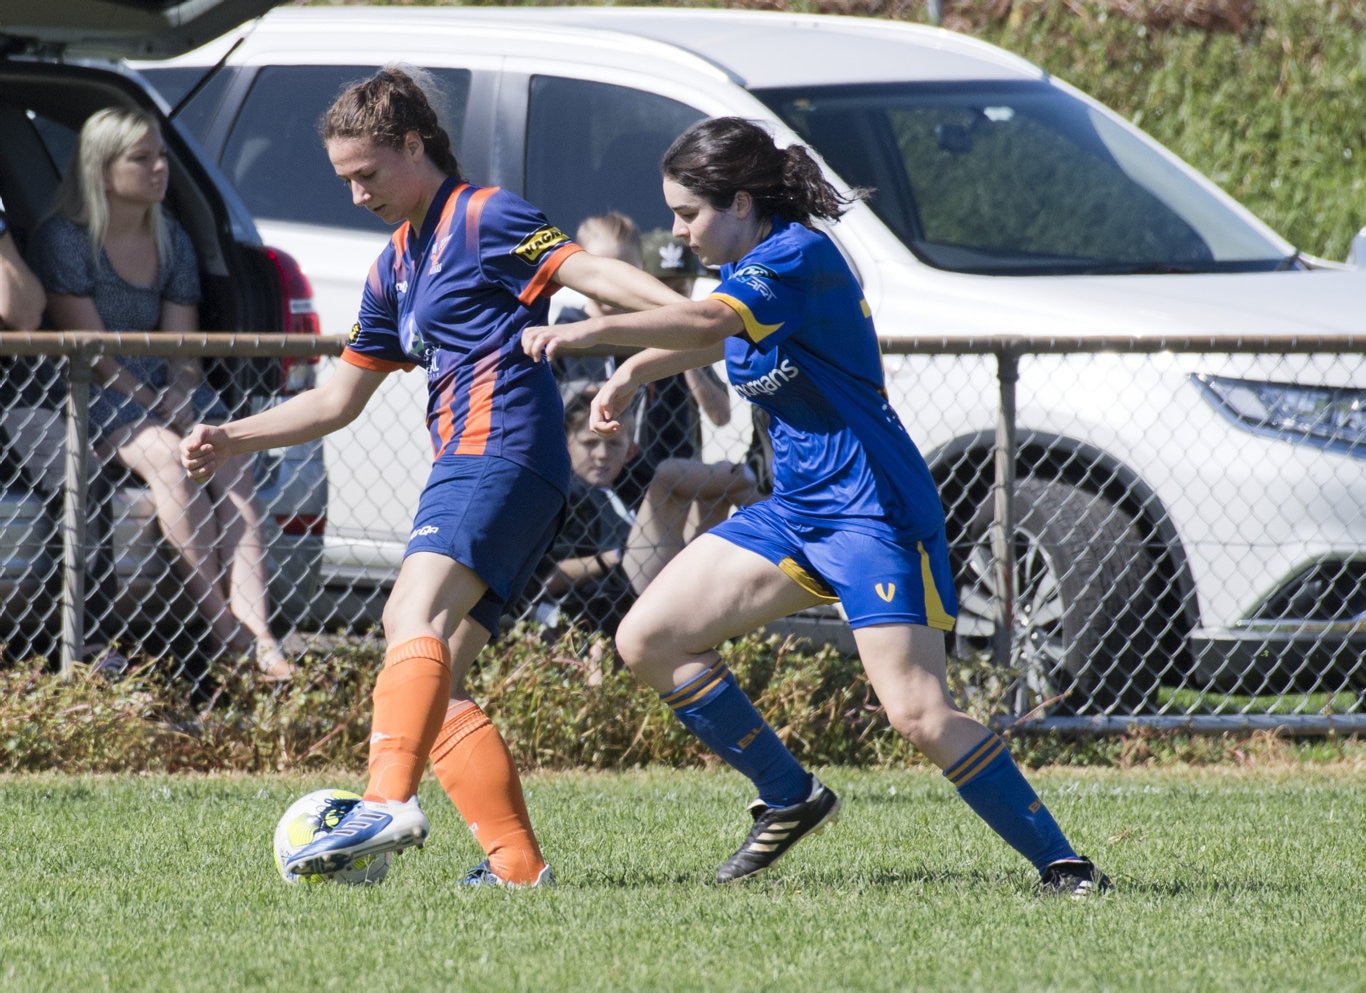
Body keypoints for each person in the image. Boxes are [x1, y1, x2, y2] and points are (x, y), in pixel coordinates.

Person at [521, 116, 1111, 897]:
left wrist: (596, 328)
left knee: (919, 713)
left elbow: (707, 322)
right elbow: (714, 341)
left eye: (688, 214)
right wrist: (633, 371)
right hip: (796, 511)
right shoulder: (751, 270)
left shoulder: (796, 255)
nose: (678, 230)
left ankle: (1066, 866)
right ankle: (790, 794)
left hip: (874, 510)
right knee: (649, 638)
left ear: (739, 202)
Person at [179, 66, 684, 886]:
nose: (356, 195)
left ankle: (383, 798)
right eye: (344, 180)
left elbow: (586, 273)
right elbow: (338, 398)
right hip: (489, 468)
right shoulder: (394, 267)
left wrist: (685, 313)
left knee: (404, 612)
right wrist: (232, 434)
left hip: (502, 452)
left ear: (415, 145)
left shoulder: (484, 216)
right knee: (432, 674)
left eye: (368, 174)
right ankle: (516, 865)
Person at [25, 108, 291, 681]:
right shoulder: (64, 240)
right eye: (141, 158)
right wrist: (153, 401)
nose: (159, 168)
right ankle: (227, 632)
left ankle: (261, 632)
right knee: (170, 460)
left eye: (162, 156)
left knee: (233, 466)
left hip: (168, 388)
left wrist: (181, 390)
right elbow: (91, 352)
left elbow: (182, 340)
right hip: (100, 390)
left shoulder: (172, 238)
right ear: (101, 171)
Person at [525, 380, 757, 641]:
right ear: (565, 445)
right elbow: (547, 578)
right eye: (590, 443)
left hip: (657, 577)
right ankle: (757, 479)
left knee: (714, 496)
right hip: (611, 593)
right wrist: (615, 556)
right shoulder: (565, 492)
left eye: (614, 445)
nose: (602, 455)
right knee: (669, 475)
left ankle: (757, 487)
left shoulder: (628, 486)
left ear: (630, 451)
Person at [556, 213, 732, 508]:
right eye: (598, 270)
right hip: (584, 492)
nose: (608, 284)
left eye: (621, 271)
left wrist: (682, 347)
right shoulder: (567, 334)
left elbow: (722, 415)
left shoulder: (658, 333)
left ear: (640, 272)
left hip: (660, 479)